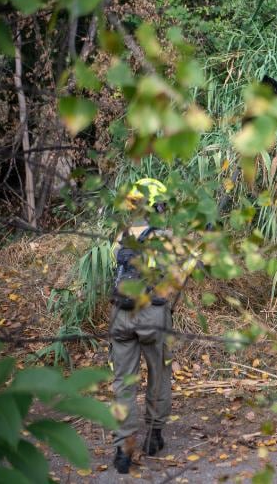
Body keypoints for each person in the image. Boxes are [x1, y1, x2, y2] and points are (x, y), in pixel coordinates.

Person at [110, 178, 176, 474]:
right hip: (152, 315)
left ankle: (123, 449)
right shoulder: (163, 235)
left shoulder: (121, 234)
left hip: (121, 315)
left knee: (124, 381)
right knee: (159, 374)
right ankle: (153, 436)